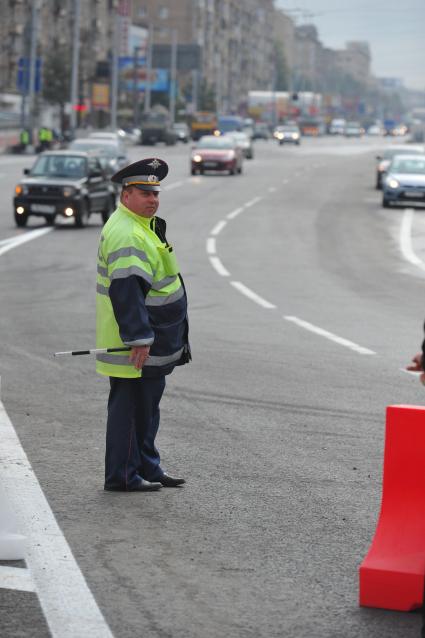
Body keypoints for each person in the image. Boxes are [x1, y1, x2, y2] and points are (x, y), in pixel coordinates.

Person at [96, 158, 191, 492]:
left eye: (155, 193)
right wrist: (138, 338)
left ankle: (147, 466)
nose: (153, 199)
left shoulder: (140, 225)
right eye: (144, 193)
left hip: (151, 337)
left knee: (146, 409)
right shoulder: (128, 235)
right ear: (126, 196)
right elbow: (126, 292)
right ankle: (122, 475)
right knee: (132, 411)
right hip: (136, 343)